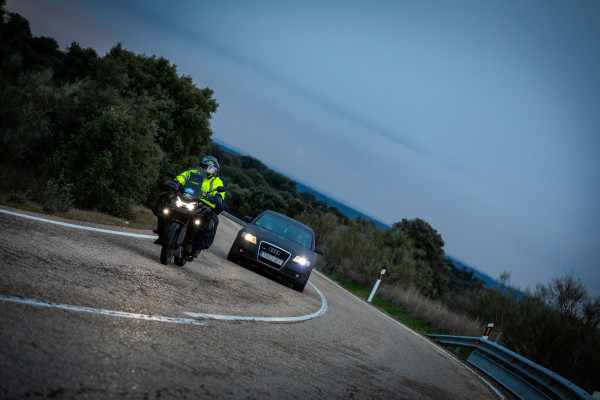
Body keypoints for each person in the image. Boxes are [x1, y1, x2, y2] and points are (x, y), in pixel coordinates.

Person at [153, 155, 227, 259]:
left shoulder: (217, 182)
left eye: (209, 168)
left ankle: (197, 247)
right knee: (165, 204)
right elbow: (182, 177)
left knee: (211, 221)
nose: (206, 170)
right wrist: (175, 182)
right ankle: (161, 232)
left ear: (215, 170)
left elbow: (221, 194)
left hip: (203, 205)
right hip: (186, 198)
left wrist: (217, 197)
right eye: (204, 166)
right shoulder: (192, 173)